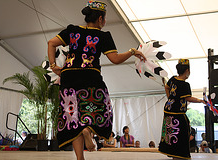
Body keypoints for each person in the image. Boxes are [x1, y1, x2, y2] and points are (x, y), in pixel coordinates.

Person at [47, 1, 146, 160]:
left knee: (73, 118)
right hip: (90, 76)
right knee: (101, 109)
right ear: (101, 19)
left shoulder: (72, 31)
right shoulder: (103, 36)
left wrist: (53, 65)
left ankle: (80, 158)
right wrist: (132, 51)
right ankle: (89, 130)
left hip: (69, 77)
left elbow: (51, 43)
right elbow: (115, 59)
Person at [158, 59, 205, 159]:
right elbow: (188, 98)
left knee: (169, 131)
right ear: (187, 71)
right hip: (177, 113)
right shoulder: (185, 85)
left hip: (168, 109)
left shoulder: (173, 79)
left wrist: (170, 98)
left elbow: (167, 87)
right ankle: (179, 153)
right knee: (183, 132)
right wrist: (200, 100)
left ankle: (170, 151)